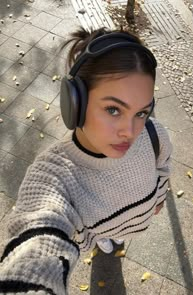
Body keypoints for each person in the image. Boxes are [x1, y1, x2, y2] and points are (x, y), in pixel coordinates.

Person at [0, 27, 172, 294]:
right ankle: (105, 237)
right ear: (74, 104)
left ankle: (115, 236)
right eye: (113, 109)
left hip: (137, 222)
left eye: (141, 112)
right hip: (97, 230)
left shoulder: (153, 133)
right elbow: (40, 236)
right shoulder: (55, 176)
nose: (130, 130)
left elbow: (163, 166)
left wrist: (159, 197)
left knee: (119, 234)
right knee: (105, 235)